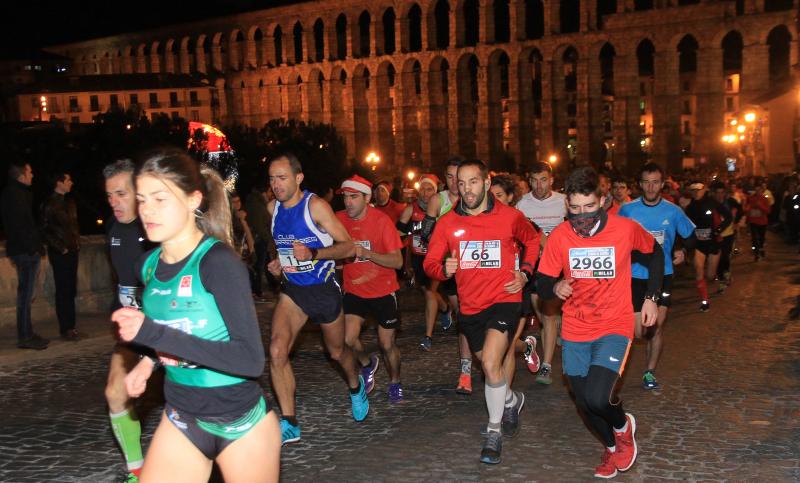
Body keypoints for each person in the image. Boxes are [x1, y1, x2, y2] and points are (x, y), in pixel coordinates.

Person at [112, 147, 281, 482]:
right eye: (142, 199)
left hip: (240, 424)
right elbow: (172, 327)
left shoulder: (219, 263)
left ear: (193, 200)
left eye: (160, 199)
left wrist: (151, 335)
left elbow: (250, 360)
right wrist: (148, 363)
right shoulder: (147, 266)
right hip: (182, 416)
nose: (148, 210)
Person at [536, 166, 664, 479]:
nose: (581, 215)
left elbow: (656, 254)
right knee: (583, 401)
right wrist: (554, 288)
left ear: (603, 200)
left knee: (597, 397)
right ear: (566, 205)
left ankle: (623, 426)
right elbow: (541, 283)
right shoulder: (561, 237)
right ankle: (610, 447)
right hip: (577, 326)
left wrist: (652, 297)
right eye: (575, 208)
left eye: (589, 207)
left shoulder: (624, 228)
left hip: (614, 324)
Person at [424, 159, 540, 465]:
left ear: (487, 183)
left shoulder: (509, 216)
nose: (467, 189)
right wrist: (442, 268)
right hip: (470, 306)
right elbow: (429, 262)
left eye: (473, 182)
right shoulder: (447, 222)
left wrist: (525, 273)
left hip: (505, 299)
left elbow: (532, 240)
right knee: (488, 367)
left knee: (490, 362)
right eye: (461, 184)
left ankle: (493, 431)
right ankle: (513, 400)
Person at [266, 153, 368, 445]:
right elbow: (284, 249)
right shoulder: (272, 208)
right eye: (272, 178)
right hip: (293, 291)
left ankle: (354, 383)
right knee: (276, 350)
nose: (276, 184)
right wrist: (277, 263)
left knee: (337, 353)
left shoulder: (316, 206)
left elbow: (349, 247)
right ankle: (290, 421)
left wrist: (315, 254)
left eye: (282, 177)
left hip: (323, 289)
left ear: (298, 178)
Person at [619, 163, 696, 391]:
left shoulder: (673, 211)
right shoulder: (628, 210)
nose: (651, 187)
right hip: (634, 275)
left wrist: (682, 250)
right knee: (639, 331)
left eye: (655, 182)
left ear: (662, 184)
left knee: (656, 326)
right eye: (646, 182)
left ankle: (649, 371)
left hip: (663, 275)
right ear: (640, 184)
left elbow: (691, 237)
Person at [102, 159, 156, 482]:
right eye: (109, 196)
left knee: (188, 405)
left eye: (120, 194)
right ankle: (136, 472)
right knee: (114, 393)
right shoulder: (112, 227)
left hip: (166, 330)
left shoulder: (154, 230)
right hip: (131, 331)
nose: (114, 202)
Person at [335, 175, 405, 402]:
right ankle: (367, 364)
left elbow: (398, 262)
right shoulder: (337, 220)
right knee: (347, 339)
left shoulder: (382, 221)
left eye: (354, 197)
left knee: (387, 344)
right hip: (354, 290)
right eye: (345, 197)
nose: (348, 202)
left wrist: (368, 254)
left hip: (383, 289)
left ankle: (395, 381)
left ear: (367, 198)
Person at [421, 156, 473, 394]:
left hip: (476, 267)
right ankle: (465, 371)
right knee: (464, 316)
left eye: (458, 177)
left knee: (477, 319)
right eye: (450, 177)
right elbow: (426, 234)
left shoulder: (474, 198)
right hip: (450, 268)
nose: (454, 182)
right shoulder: (437, 200)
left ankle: (520, 346)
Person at [515, 161, 567, 385]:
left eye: (543, 180)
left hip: (556, 264)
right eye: (534, 180)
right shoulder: (521, 205)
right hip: (532, 265)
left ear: (552, 180)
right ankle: (555, 329)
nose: (539, 185)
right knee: (539, 311)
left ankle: (546, 365)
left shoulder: (562, 202)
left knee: (548, 315)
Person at [490, 174, 541, 379]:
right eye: (490, 195)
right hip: (491, 289)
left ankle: (504, 400)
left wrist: (527, 271)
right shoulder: (481, 223)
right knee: (498, 344)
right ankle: (527, 345)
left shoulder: (520, 221)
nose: (494, 200)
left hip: (517, 288)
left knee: (508, 347)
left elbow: (541, 243)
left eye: (499, 195)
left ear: (510, 197)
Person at [397, 174, 450, 351]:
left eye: (430, 189)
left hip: (436, 257)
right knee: (427, 291)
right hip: (418, 258)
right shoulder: (411, 210)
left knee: (429, 292)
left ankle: (428, 336)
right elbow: (398, 233)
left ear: (435, 191)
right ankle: (444, 309)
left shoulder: (443, 208)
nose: (426, 193)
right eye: (423, 189)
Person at [1, 162, 48, 350]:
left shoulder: (16, 193)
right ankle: (25, 336)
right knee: (25, 296)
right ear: (21, 175)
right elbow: (21, 226)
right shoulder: (14, 195)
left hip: (24, 250)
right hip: (25, 252)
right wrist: (33, 248)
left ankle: (27, 332)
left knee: (26, 295)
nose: (32, 175)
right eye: (29, 172)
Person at [41, 170, 81, 340]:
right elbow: (44, 230)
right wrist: (60, 247)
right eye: (68, 179)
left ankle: (71, 325)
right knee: (63, 290)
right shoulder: (49, 204)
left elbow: (73, 227)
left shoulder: (70, 202)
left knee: (71, 289)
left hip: (72, 250)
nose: (71, 182)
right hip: (60, 252)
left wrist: (76, 244)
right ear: (59, 183)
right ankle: (66, 328)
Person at [685, 181, 732, 311]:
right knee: (698, 271)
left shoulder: (713, 203)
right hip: (699, 244)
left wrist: (718, 230)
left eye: (698, 190)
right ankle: (705, 302)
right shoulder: (690, 207)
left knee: (710, 276)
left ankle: (717, 276)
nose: (695, 193)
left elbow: (728, 217)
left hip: (713, 243)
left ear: (704, 190)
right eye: (692, 190)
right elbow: (686, 225)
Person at [246, 185, 280, 301]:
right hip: (260, 239)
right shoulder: (258, 204)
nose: (272, 195)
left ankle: (270, 287)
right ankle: (257, 291)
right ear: (265, 191)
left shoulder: (257, 202)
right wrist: (269, 239)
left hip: (261, 239)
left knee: (265, 264)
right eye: (270, 192)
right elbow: (260, 226)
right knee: (259, 266)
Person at [711, 180, 742, 289]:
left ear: (725, 193)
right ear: (714, 193)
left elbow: (741, 210)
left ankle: (726, 272)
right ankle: (722, 280)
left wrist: (736, 222)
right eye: (717, 192)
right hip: (716, 235)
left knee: (725, 255)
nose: (720, 195)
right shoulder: (711, 203)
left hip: (728, 233)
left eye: (722, 192)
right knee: (718, 257)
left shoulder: (730, 201)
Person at [745, 184, 770, 260]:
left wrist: (760, 206)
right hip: (753, 221)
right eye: (756, 190)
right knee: (754, 237)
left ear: (762, 190)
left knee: (761, 237)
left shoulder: (765, 199)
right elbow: (747, 208)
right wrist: (748, 210)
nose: (757, 191)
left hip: (762, 222)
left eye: (759, 190)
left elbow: (768, 211)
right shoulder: (750, 198)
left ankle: (761, 249)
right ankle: (756, 252)